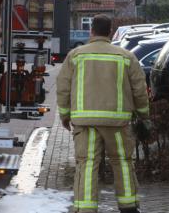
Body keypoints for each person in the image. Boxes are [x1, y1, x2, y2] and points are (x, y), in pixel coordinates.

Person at [56, 14, 150, 213]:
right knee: (122, 162)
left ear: (91, 31)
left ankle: (85, 208)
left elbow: (63, 87)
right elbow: (140, 90)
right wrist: (144, 115)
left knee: (87, 164)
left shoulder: (76, 55)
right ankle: (129, 206)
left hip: (85, 122)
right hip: (118, 123)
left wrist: (64, 115)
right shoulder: (126, 56)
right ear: (110, 32)